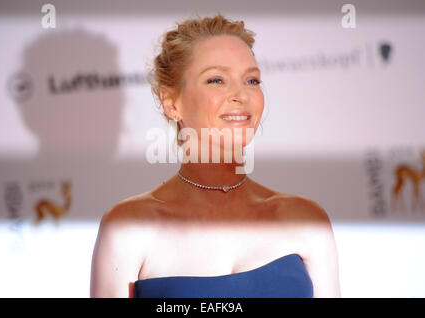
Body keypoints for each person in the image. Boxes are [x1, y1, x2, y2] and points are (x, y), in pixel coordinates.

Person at [90, 12, 341, 298]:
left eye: (252, 81)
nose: (241, 95)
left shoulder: (306, 219)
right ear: (171, 102)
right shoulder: (129, 227)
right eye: (216, 80)